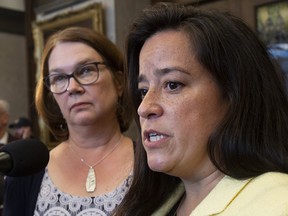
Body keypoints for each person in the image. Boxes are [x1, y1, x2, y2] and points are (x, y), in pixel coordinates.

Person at [115, 3, 288, 216]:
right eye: (143, 91)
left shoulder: (278, 204)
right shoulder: (150, 205)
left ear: (234, 94)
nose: (144, 108)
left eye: (172, 85)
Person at [3, 27, 134, 216]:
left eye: (86, 70)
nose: (72, 87)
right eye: (59, 78)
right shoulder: (26, 174)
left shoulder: (155, 166)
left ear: (119, 82)